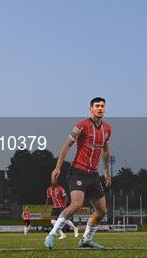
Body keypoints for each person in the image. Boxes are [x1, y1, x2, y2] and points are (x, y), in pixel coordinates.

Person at [44, 97, 111, 250]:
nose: (100, 108)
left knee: (102, 211)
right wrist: (57, 167)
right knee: (76, 204)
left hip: (93, 175)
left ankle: (86, 240)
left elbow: (105, 150)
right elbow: (67, 145)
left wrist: (106, 171)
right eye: (97, 106)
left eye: (102, 106)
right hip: (77, 172)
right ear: (91, 109)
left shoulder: (107, 129)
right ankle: (52, 234)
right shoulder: (81, 126)